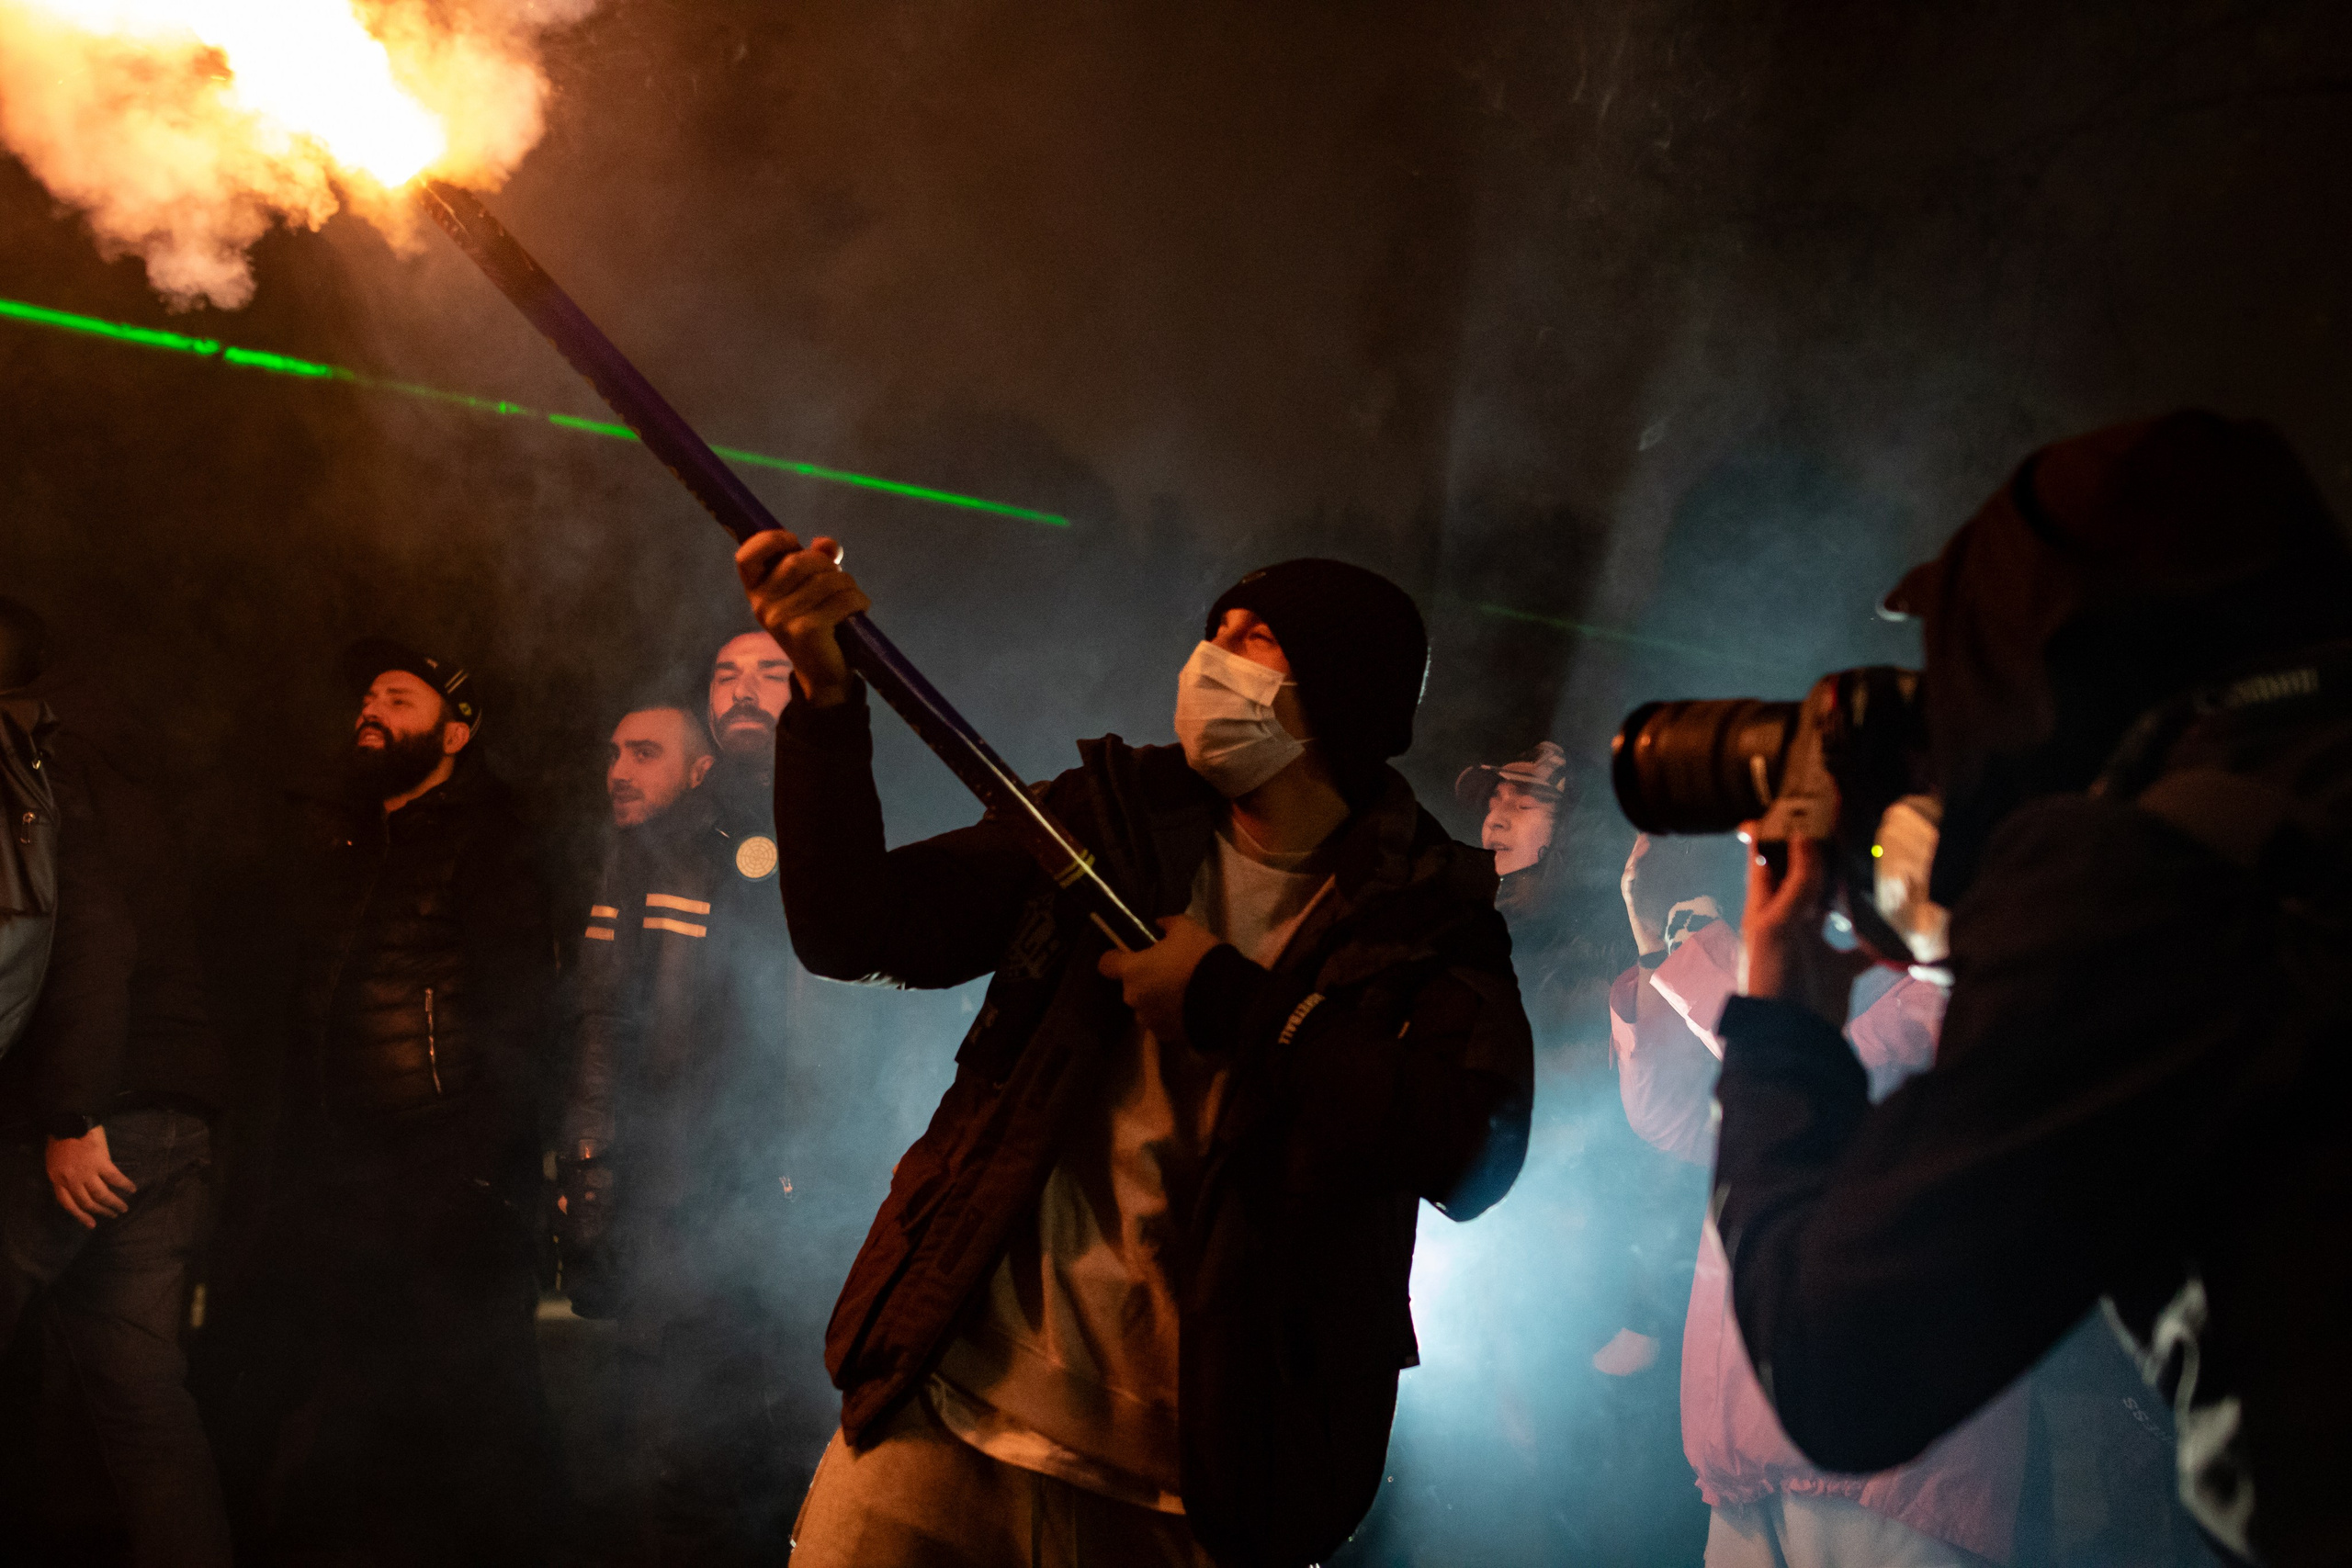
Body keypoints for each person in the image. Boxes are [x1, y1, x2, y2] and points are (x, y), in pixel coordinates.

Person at [736, 537, 1533, 1568]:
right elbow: (853, 928)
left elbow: (1472, 1150)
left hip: (1188, 1489)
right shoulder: (1102, 819)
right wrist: (825, 700)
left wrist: (1235, 1005)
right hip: (943, 1415)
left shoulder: (1427, 917)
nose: (1212, 662)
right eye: (1214, 635)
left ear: (1343, 688)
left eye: (1257, 642)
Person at [1711, 411, 2352, 1567]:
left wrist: (1782, 1029)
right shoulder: (2297, 798)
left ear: (2043, 651)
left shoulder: (2148, 884)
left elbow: (1843, 1364)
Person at [224, 638, 563, 1566]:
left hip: (442, 1175)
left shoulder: (493, 841)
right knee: (334, 1404)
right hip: (342, 1175)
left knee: (479, 1418)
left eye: (398, 697)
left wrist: (480, 1177)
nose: (371, 707)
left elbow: (517, 1017)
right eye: (368, 695)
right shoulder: (345, 840)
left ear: (456, 733)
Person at [1613, 832, 2027, 1568]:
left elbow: (1831, 1067)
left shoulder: (1971, 974)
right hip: (1749, 1460)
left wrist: (1701, 951)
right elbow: (1677, 1116)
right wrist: (1657, 948)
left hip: (1894, 1463)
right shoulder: (1838, 978)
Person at [0, 601, 233, 1566]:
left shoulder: (34, 763)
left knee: (136, 1404)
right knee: (141, 1401)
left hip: (86, 1120)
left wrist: (71, 1114)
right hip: (172, 1116)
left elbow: (95, 945)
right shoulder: (132, 761)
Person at [557, 697, 805, 1563]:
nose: (619, 770)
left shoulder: (740, 861)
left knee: (700, 1440)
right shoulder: (628, 857)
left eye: (645, 752)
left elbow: (747, 1032)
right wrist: (590, 1166)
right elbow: (601, 1024)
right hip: (663, 1189)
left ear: (700, 768)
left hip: (711, 1188)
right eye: (614, 751)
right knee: (658, 1435)